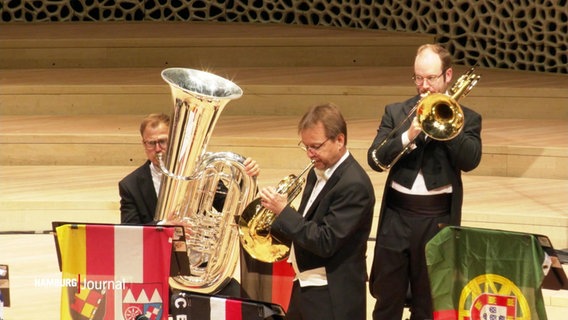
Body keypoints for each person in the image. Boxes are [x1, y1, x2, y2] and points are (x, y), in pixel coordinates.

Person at [367, 44, 482, 319]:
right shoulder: (396, 112)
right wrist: (409, 134)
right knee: (387, 298)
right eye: (418, 78)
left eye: (430, 78)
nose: (424, 85)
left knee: (428, 301)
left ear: (448, 76)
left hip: (437, 220)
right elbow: (375, 159)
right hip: (397, 217)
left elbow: (471, 160)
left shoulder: (468, 118)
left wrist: (445, 127)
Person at [258, 103, 375, 320]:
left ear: (339, 140)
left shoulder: (354, 185)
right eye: (306, 147)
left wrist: (283, 211)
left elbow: (325, 241)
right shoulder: (316, 173)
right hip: (305, 284)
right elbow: (306, 224)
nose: (310, 154)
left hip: (332, 294)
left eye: (316, 146)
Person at [119, 113, 260, 224]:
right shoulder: (130, 185)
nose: (157, 149)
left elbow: (232, 208)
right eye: (151, 143)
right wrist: (163, 226)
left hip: (199, 258)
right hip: (157, 256)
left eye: (163, 141)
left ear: (175, 140)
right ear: (144, 144)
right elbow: (131, 232)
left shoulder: (201, 171)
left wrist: (247, 178)